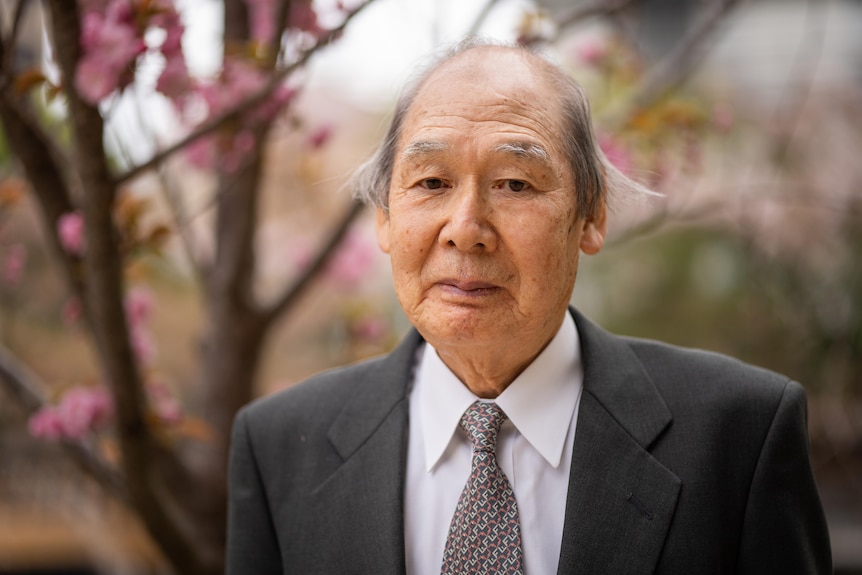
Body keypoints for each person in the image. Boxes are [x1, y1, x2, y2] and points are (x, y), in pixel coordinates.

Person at [226, 39, 831, 574]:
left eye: (515, 184)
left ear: (591, 217)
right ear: (384, 216)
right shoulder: (278, 446)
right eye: (431, 182)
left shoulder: (740, 435)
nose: (466, 230)